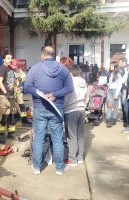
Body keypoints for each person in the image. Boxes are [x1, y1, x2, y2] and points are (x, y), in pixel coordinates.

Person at [24, 46, 74, 175]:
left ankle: (36, 167)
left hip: (40, 108)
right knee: (57, 139)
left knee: (39, 137)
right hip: (57, 109)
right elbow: (70, 88)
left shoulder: (34, 69)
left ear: (43, 55)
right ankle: (59, 168)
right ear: (54, 55)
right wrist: (55, 94)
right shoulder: (64, 70)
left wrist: (40, 93)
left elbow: (27, 86)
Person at [64, 64, 87, 166]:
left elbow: (66, 98)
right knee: (80, 136)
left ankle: (72, 159)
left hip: (71, 111)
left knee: (71, 136)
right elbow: (86, 95)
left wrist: (62, 107)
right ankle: (80, 157)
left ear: (70, 73)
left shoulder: (71, 82)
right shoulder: (84, 82)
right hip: (82, 110)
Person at [0, 53, 16, 144]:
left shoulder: (10, 69)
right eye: (8, 58)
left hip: (11, 95)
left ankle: (11, 134)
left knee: (11, 116)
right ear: (3, 59)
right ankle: (1, 137)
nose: (10, 60)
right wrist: (5, 93)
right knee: (4, 116)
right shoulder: (2, 69)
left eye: (11, 58)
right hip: (3, 96)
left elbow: (12, 82)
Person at [10, 59, 32, 126]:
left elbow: (24, 77)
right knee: (13, 104)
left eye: (15, 67)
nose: (14, 68)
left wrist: (18, 80)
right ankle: (13, 118)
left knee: (21, 103)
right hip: (11, 90)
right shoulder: (8, 70)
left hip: (18, 89)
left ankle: (24, 119)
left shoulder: (19, 70)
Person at [106, 61, 122, 128]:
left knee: (114, 107)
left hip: (115, 91)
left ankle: (113, 119)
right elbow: (110, 83)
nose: (110, 67)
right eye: (110, 65)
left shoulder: (118, 74)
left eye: (112, 66)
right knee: (109, 105)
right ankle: (108, 119)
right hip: (110, 91)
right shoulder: (110, 73)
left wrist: (116, 94)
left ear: (115, 67)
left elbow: (119, 84)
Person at [118, 57, 129, 129]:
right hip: (122, 88)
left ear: (123, 62)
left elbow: (123, 80)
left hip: (125, 88)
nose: (119, 64)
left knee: (124, 103)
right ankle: (124, 117)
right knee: (123, 103)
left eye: (120, 62)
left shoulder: (126, 68)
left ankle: (126, 120)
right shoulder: (122, 69)